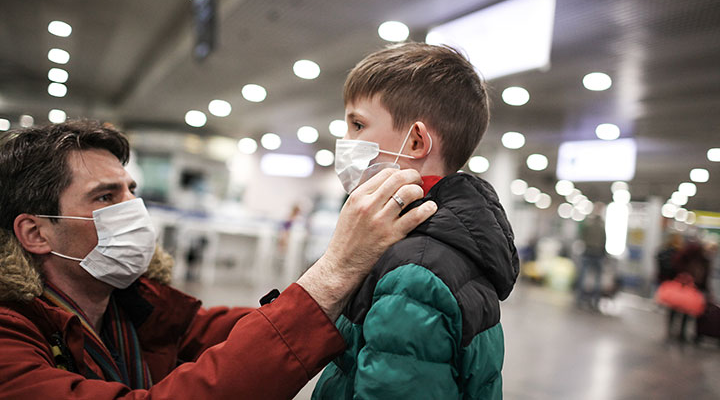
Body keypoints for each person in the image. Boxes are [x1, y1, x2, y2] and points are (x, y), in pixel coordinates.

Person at [0, 120, 437, 398]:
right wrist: (334, 271)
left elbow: (239, 335)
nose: (132, 208)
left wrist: (354, 299)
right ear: (35, 232)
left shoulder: (131, 308)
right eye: (105, 197)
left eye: (130, 191)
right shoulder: (9, 343)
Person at [312, 43, 519, 399]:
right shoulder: (426, 241)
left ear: (417, 141)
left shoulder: (415, 274)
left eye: (357, 124)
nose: (345, 142)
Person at [575, 209, 606, 310]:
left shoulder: (588, 226)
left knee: (583, 276)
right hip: (598, 253)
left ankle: (580, 299)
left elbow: (582, 237)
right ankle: (595, 300)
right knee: (597, 279)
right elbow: (604, 241)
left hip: (587, 252)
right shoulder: (602, 228)